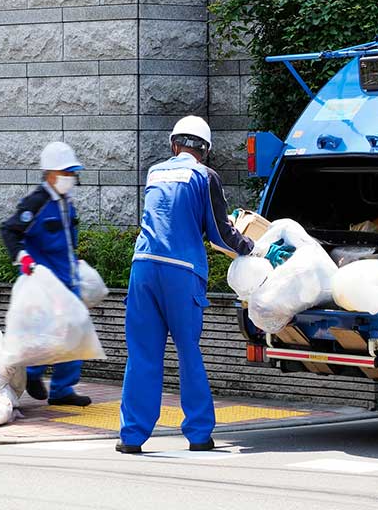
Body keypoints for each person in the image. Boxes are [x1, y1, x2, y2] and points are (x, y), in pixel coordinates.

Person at [116, 116, 291, 454]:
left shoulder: (155, 172)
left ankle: (131, 436)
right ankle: (198, 434)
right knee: (187, 352)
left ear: (173, 144)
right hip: (181, 273)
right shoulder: (204, 176)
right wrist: (258, 248)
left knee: (141, 355)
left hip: (143, 268)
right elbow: (219, 230)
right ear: (205, 151)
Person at [0, 141, 92, 407]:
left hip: (67, 280)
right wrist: (22, 257)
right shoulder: (36, 203)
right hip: (44, 283)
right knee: (44, 334)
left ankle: (62, 390)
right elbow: (9, 231)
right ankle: (32, 374)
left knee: (74, 332)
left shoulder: (65, 203)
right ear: (51, 173)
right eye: (67, 173)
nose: (71, 178)